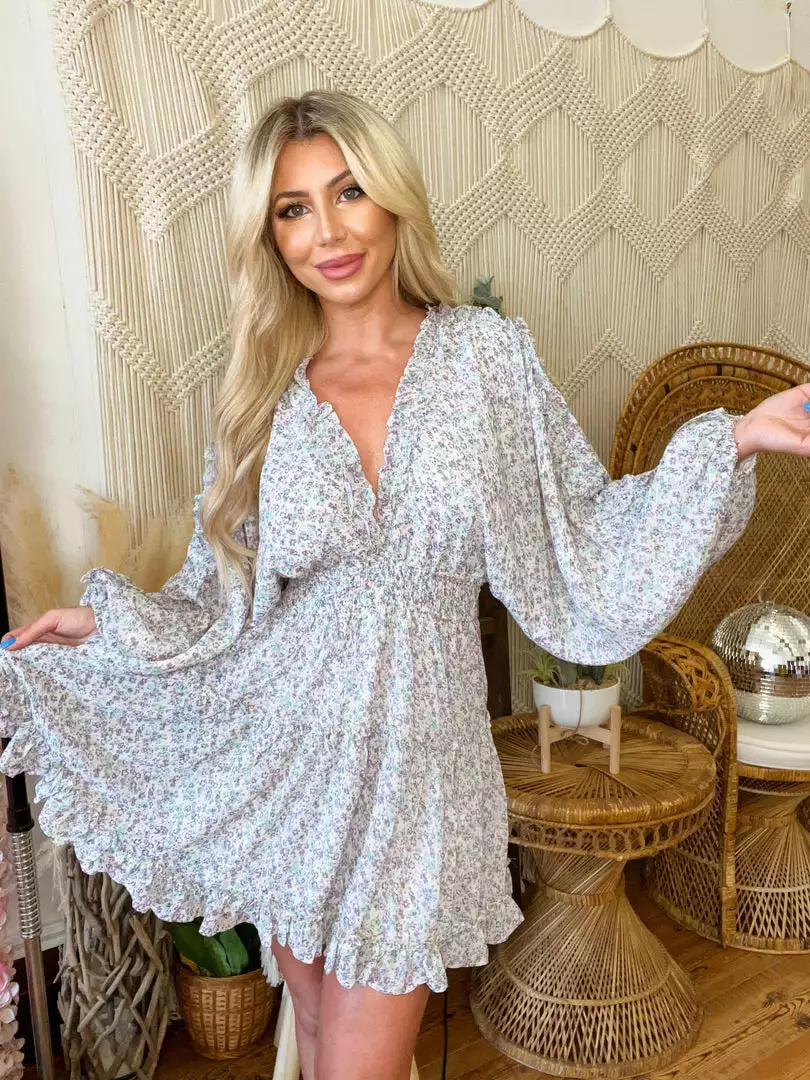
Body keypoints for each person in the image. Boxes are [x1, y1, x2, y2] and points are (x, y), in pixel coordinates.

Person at [0, 89, 808, 1080]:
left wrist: (731, 440)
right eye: (293, 209)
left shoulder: (484, 358)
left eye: (348, 192)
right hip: (292, 757)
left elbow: (582, 526)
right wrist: (108, 623)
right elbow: (221, 588)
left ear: (392, 199)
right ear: (270, 236)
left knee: (361, 1064)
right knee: (314, 1028)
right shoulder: (265, 391)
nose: (327, 231)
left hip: (422, 763)